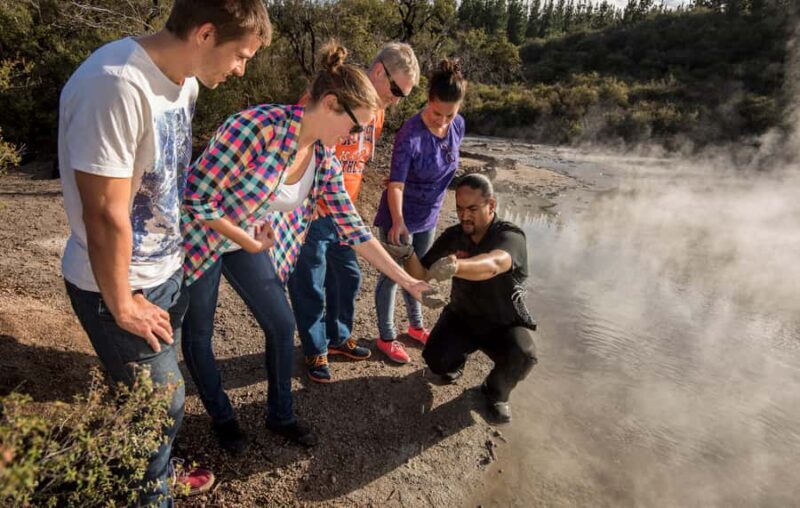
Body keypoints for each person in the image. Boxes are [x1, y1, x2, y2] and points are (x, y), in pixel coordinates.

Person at [58, 0, 271, 504]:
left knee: (147, 403)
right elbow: (106, 213)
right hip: (117, 284)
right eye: (240, 55)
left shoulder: (187, 83)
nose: (240, 70)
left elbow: (166, 178)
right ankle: (151, 494)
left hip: (165, 272)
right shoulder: (113, 83)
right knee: (165, 403)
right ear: (204, 34)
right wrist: (124, 303)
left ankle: (145, 467)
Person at [180, 41, 437, 455]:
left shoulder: (323, 157)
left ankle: (280, 414)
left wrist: (408, 280)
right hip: (203, 236)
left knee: (282, 326)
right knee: (199, 335)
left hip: (248, 237)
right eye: (354, 128)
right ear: (331, 104)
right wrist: (247, 240)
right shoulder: (256, 127)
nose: (355, 138)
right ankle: (223, 418)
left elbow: (353, 228)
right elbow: (194, 199)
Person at [288, 42, 420, 383]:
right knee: (312, 284)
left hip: (343, 209)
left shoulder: (377, 112)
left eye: (403, 95)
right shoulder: (332, 98)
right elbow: (298, 153)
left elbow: (354, 164)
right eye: (395, 89)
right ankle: (315, 348)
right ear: (379, 71)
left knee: (349, 277)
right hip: (313, 212)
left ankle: (338, 337)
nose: (396, 99)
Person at [393, 174, 538, 423]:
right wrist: (407, 254)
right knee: (436, 361)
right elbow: (421, 274)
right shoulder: (454, 236)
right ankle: (454, 365)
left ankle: (494, 393)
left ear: (491, 205)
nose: (464, 216)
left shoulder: (510, 236)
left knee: (524, 355)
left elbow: (494, 263)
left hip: (504, 322)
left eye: (472, 208)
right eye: (460, 209)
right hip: (463, 316)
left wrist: (456, 266)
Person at [373, 58, 467, 364]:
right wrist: (398, 221)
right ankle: (386, 336)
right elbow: (396, 184)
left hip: (428, 217)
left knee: (420, 271)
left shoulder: (458, 126)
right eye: (437, 112)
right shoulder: (410, 133)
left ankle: (415, 327)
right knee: (392, 277)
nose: (442, 120)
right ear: (428, 101)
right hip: (399, 217)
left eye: (449, 115)